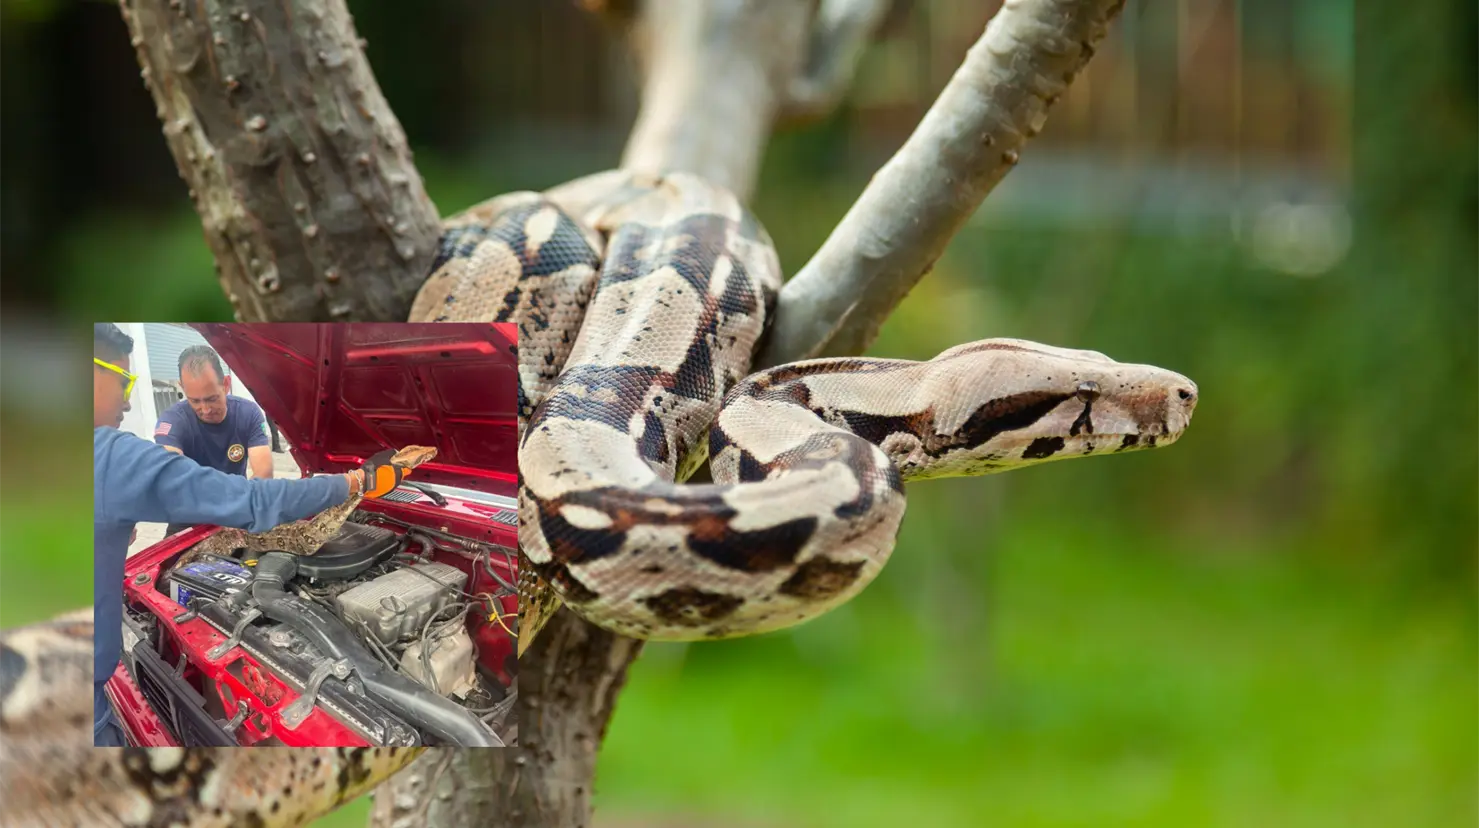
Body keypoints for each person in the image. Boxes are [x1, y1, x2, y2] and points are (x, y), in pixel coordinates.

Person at [92, 323, 412, 746]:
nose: (129, 397)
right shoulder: (108, 456)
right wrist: (354, 482)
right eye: (124, 379)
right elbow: (253, 501)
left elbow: (260, 473)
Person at [154, 345, 275, 536]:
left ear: (226, 384)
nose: (206, 409)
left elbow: (264, 473)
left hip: (235, 511)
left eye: (212, 399)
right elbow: (171, 475)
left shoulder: (248, 413)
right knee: (169, 566)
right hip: (187, 520)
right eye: (195, 401)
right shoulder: (172, 421)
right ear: (182, 387)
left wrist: (235, 508)